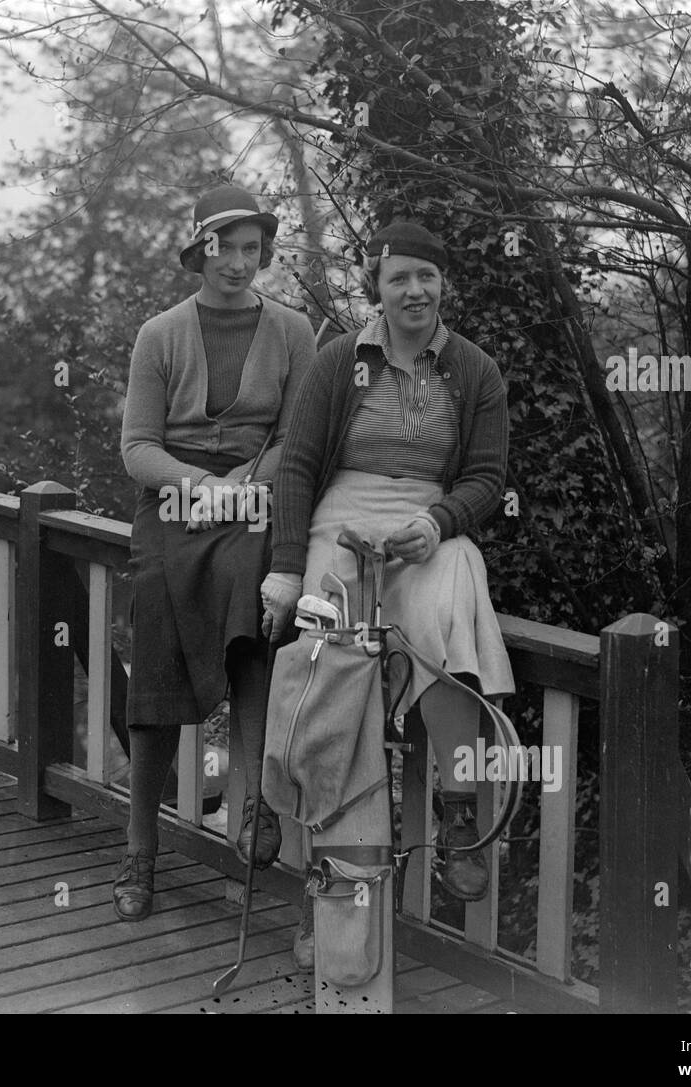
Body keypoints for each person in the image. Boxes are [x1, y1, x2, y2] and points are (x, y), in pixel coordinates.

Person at [260, 221, 515, 966]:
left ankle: (460, 810)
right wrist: (284, 568)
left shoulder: (474, 371)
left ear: (444, 286)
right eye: (400, 277)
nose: (414, 291)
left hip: (427, 521)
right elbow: (299, 467)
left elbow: (488, 480)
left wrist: (437, 524)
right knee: (330, 677)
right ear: (378, 283)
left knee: (447, 607)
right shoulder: (341, 360)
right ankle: (329, 895)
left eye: (427, 278)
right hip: (341, 518)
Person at [114, 184, 316, 921]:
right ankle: (140, 853)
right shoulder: (160, 334)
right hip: (173, 506)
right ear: (199, 249)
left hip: (256, 501)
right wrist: (199, 484)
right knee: (160, 634)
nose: (238, 263)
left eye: (251, 249)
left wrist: (243, 486)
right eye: (224, 247)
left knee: (260, 616)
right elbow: (137, 446)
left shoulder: (295, 332)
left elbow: (299, 438)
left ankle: (256, 804)